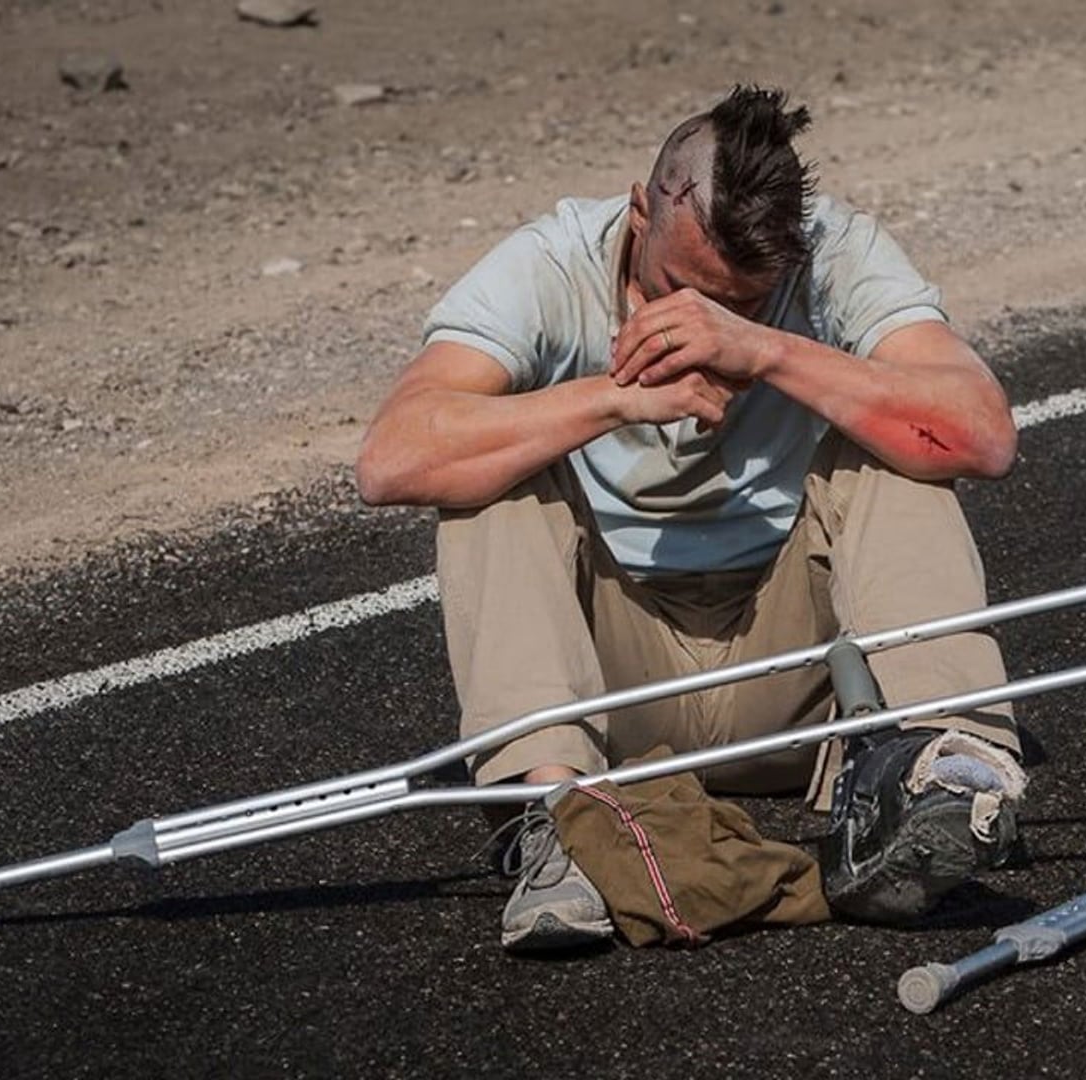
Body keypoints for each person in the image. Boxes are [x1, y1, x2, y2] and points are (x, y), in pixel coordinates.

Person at [357, 85, 1026, 951]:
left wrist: (772, 349)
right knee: (485, 479)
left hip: (806, 679)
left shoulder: (836, 253)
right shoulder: (550, 263)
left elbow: (985, 436)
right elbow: (390, 460)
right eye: (682, 292)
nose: (705, 324)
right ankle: (564, 823)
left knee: (907, 446)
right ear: (641, 214)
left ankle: (945, 773)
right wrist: (607, 401)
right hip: (617, 687)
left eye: (742, 302)